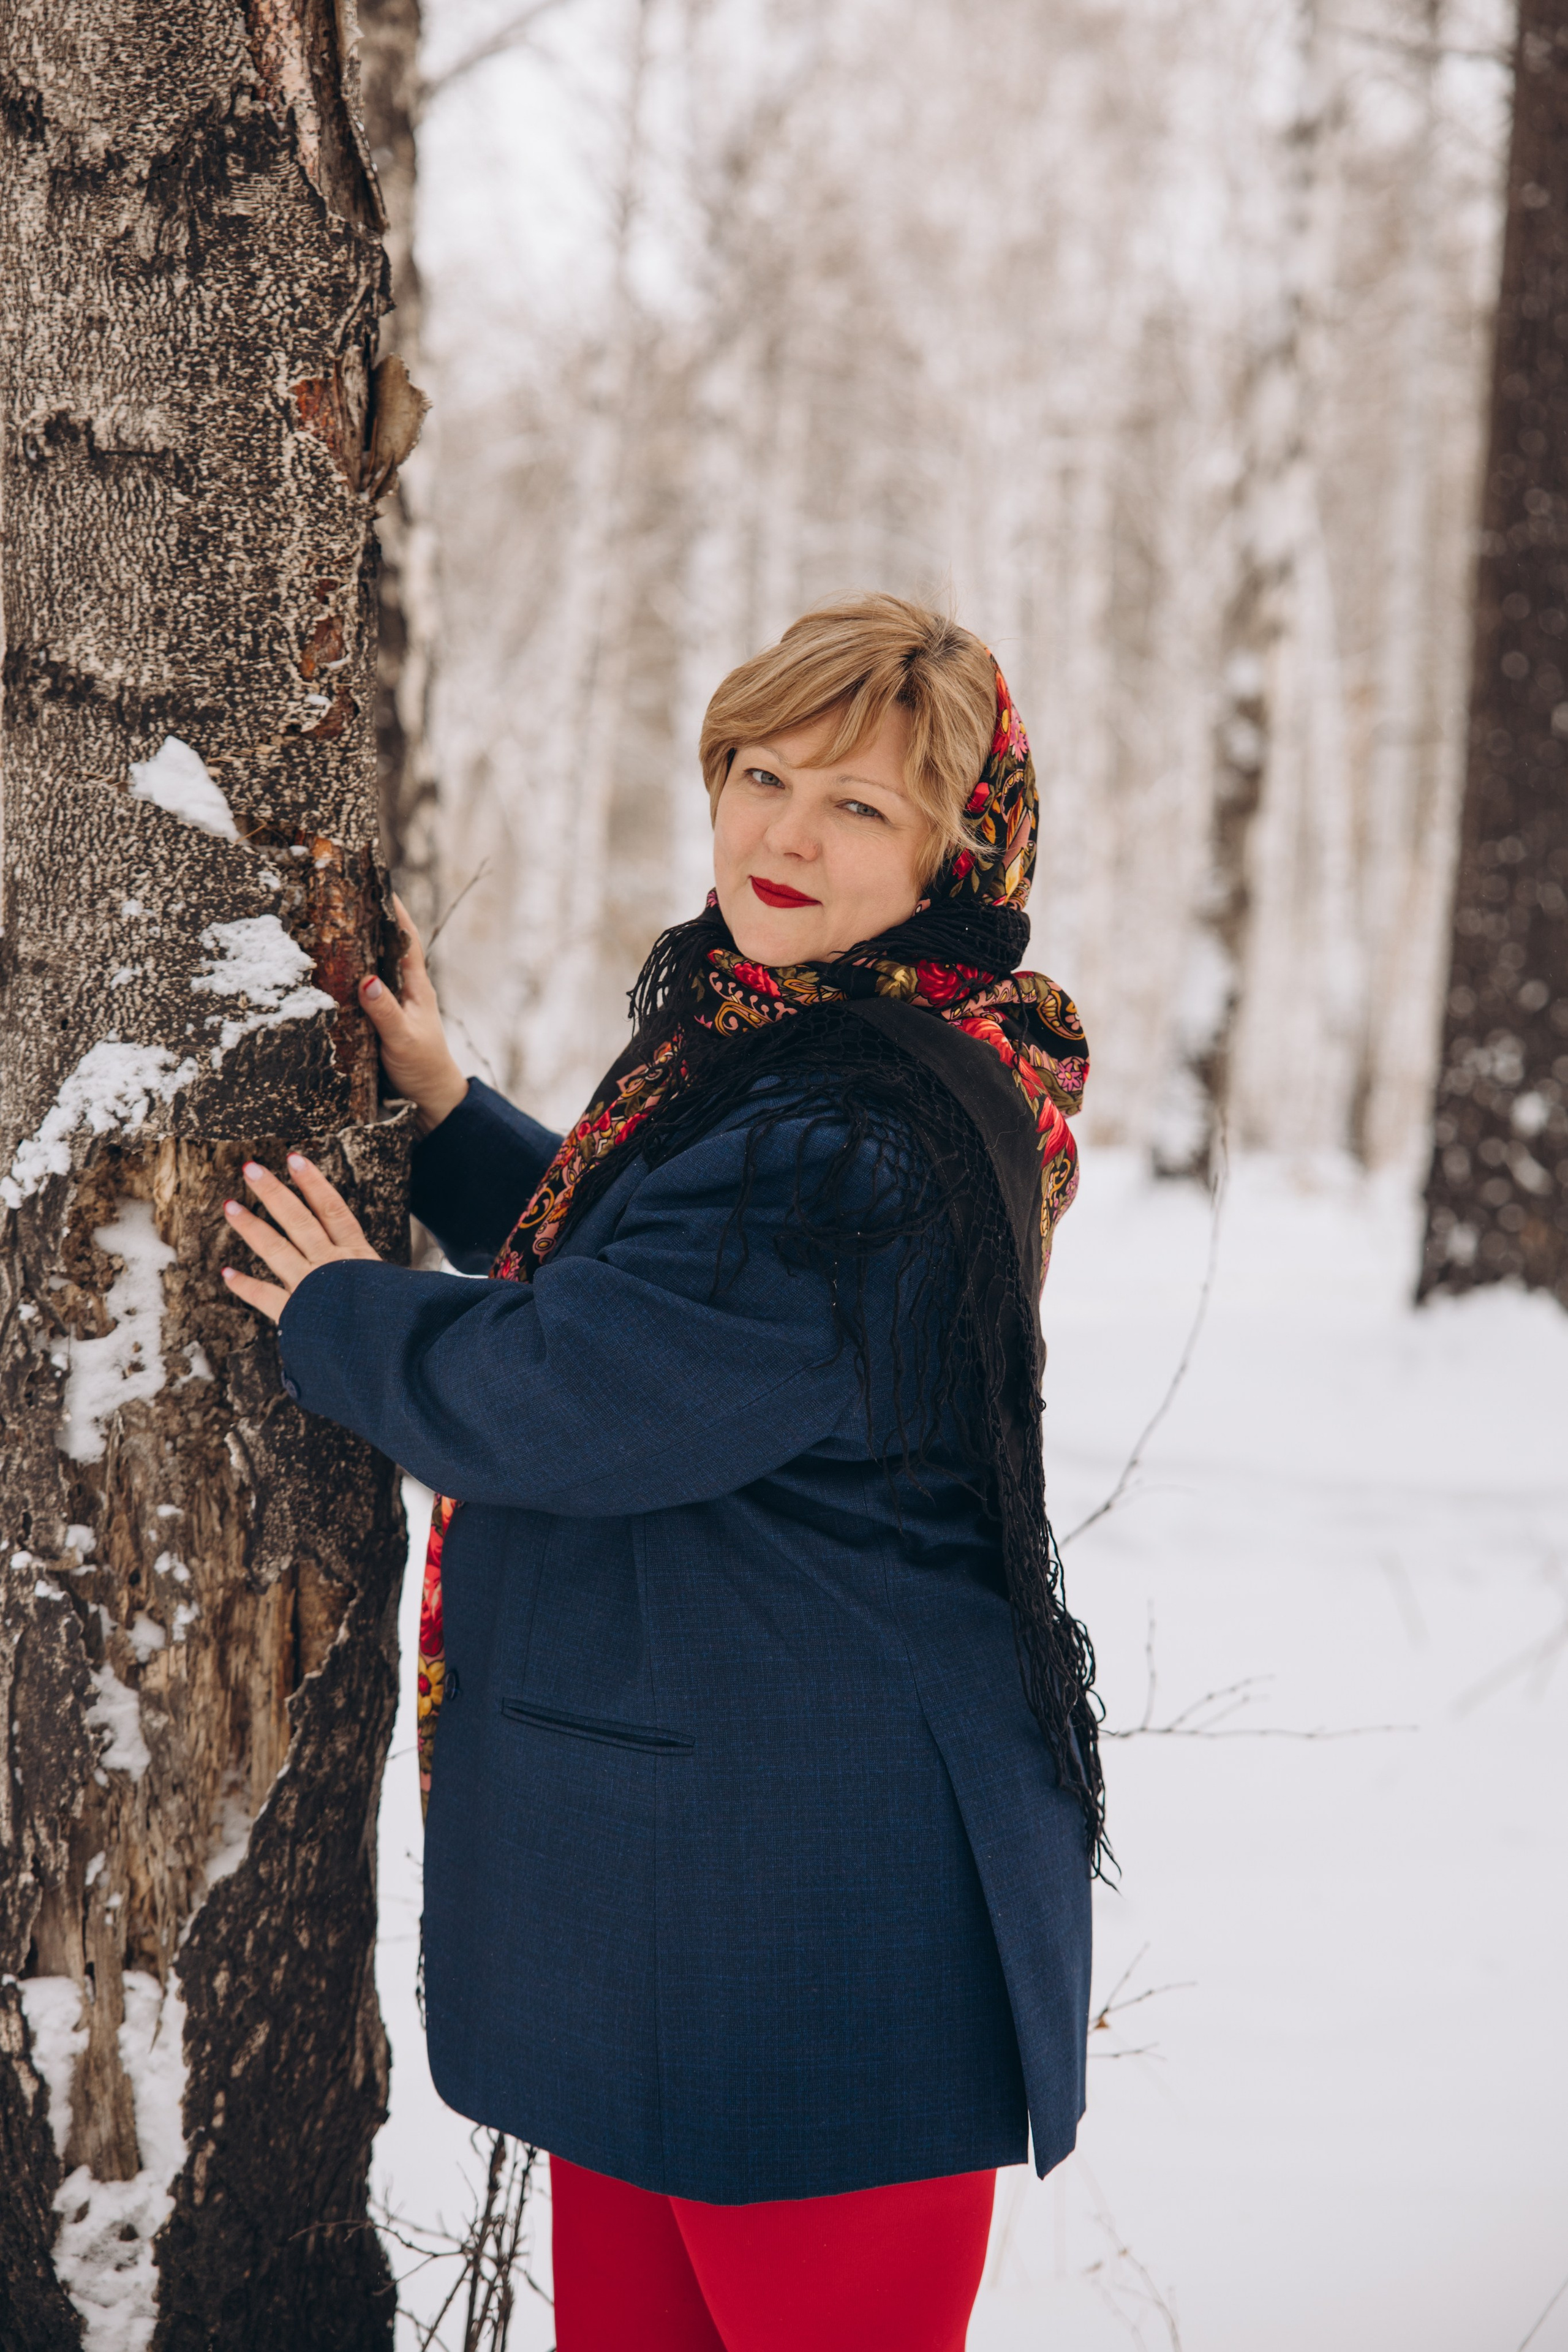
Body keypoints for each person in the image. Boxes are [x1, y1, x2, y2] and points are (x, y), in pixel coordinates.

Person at [219, 594, 1102, 2352]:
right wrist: (456, 1117)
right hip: (695, 1879)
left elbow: (572, 1392)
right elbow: (660, 1277)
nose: (786, 830)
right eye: (762, 774)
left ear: (954, 849)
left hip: (815, 1924)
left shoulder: (861, 1127)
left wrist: (336, 1314)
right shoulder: (810, 1048)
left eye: (859, 805)